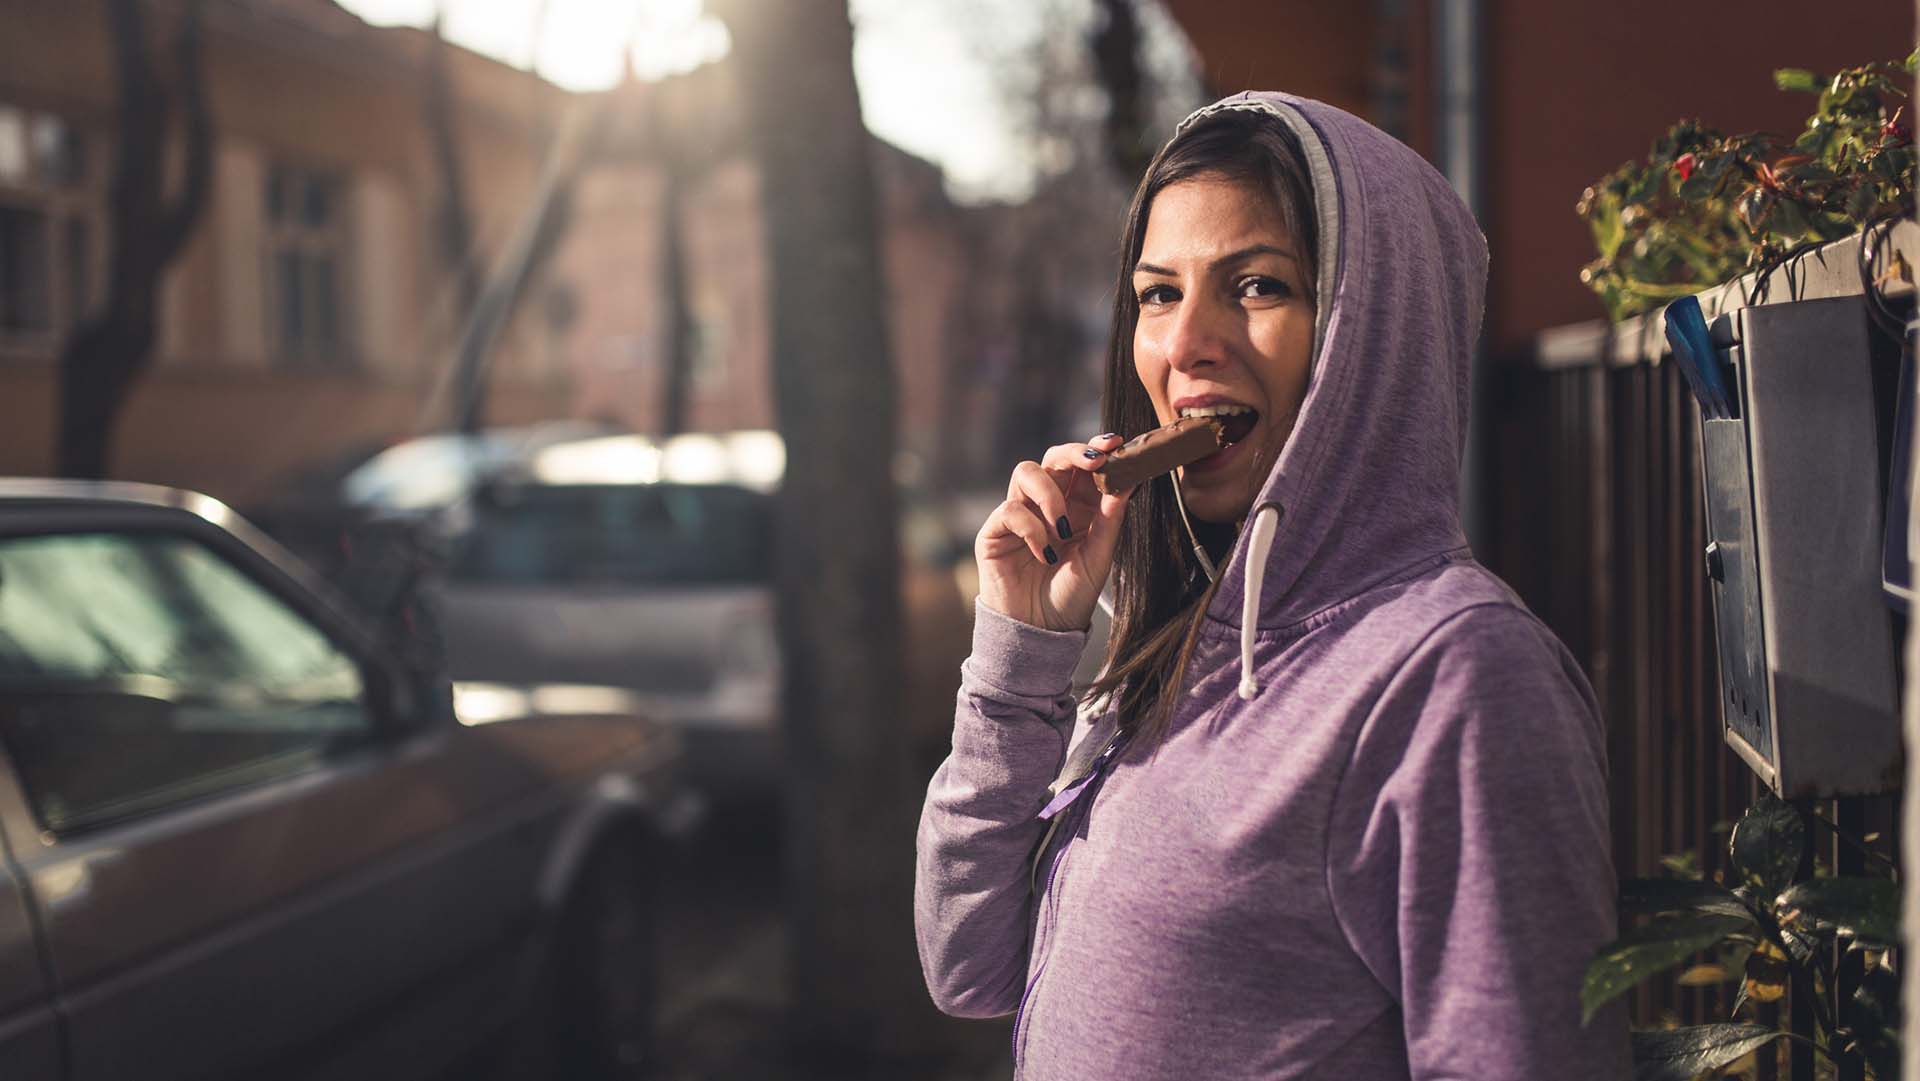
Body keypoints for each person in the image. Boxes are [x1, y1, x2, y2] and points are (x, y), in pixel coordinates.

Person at [914, 92, 1631, 1080]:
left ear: (1368, 333)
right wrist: (1020, 650)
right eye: (1159, 294)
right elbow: (968, 964)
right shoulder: (1175, 637)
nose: (1186, 342)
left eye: (1255, 285)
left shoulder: (1459, 675)